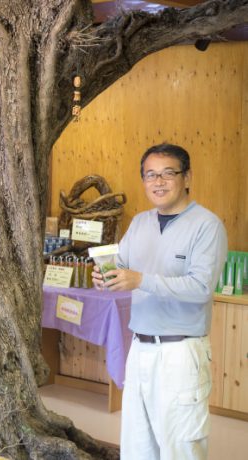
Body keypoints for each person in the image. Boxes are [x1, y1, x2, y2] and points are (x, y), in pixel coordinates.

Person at [92, 143, 227, 459]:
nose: (159, 182)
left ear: (187, 177)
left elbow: (201, 287)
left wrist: (141, 280)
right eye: (150, 175)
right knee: (138, 444)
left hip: (181, 352)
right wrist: (105, 279)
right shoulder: (140, 222)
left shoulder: (207, 226)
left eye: (168, 173)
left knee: (180, 446)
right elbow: (121, 264)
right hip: (139, 349)